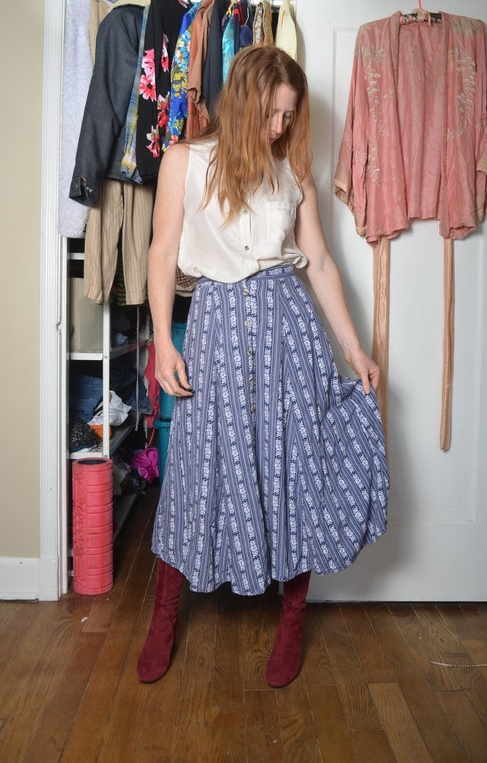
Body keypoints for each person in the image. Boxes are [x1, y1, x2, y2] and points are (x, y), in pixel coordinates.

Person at [137, 45, 389, 687]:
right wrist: (164, 341)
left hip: (289, 334)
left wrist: (355, 348)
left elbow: (322, 264)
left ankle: (292, 618)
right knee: (197, 473)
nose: (280, 127)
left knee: (294, 470)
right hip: (217, 332)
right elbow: (162, 252)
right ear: (246, 102)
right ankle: (164, 615)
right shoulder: (185, 161)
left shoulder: (292, 173)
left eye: (290, 115)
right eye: (273, 113)